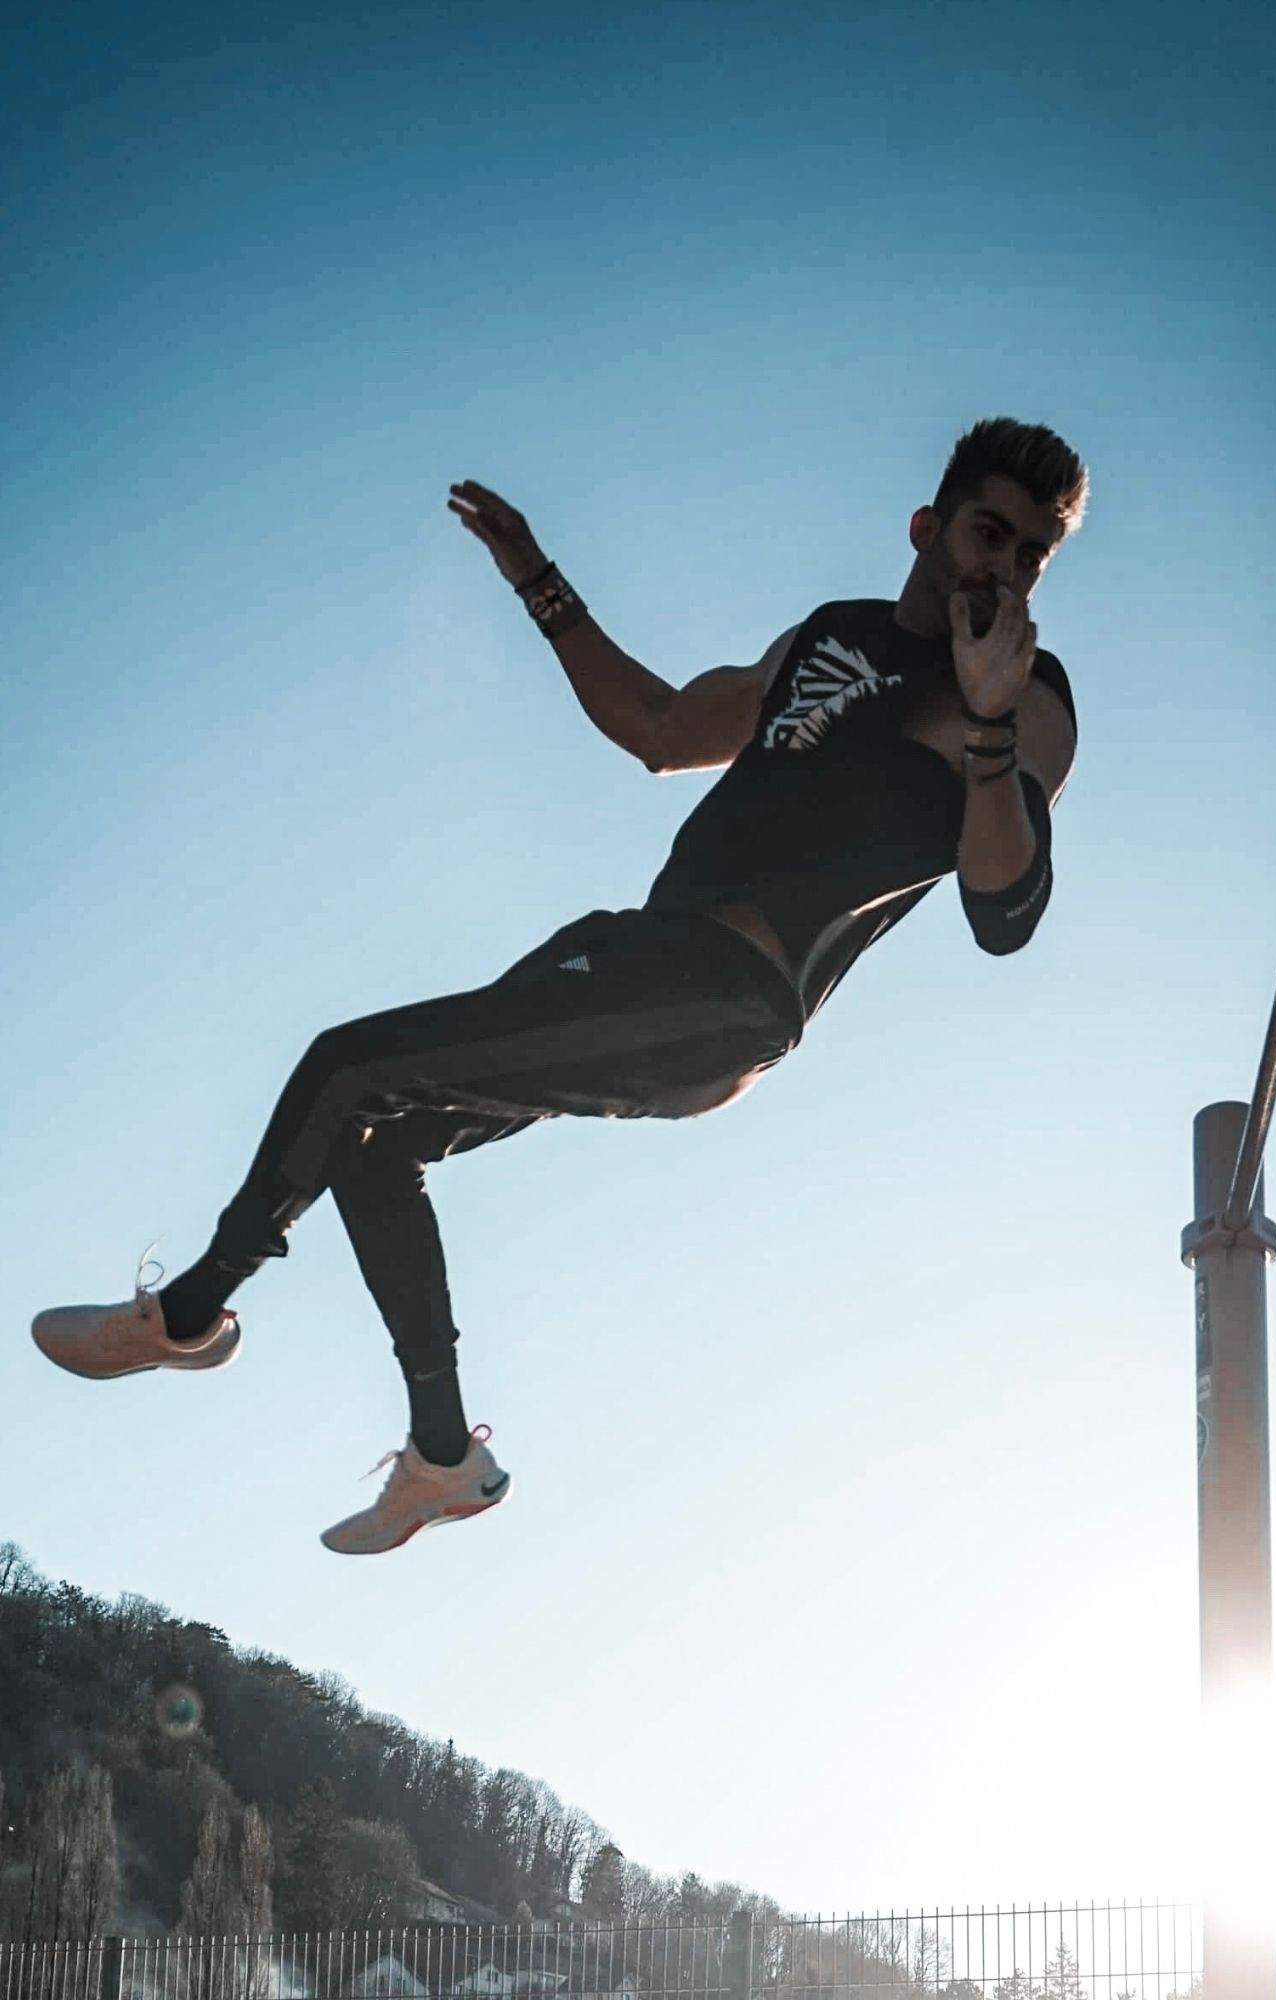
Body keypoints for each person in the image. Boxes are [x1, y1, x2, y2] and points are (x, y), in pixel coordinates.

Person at [32, 417, 1086, 1554]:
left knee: (347, 1060)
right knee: (371, 1140)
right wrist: (538, 579)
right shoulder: (828, 633)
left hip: (727, 997)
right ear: (928, 528)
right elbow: (659, 726)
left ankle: (189, 1314)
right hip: (635, 957)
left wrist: (984, 718)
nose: (1004, 566)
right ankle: (442, 1457)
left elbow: (1003, 910)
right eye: (988, 532)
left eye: (1031, 554)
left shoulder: (1029, 699)